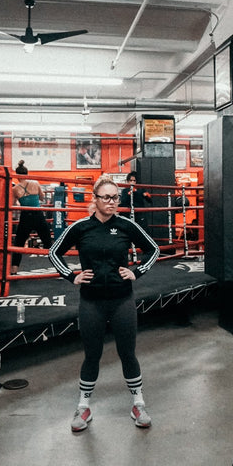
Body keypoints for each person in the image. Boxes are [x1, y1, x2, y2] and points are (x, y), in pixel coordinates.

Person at [49, 175, 160, 432]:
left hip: (122, 299)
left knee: (127, 353)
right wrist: (71, 276)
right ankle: (83, 407)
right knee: (92, 355)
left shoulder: (126, 226)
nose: (112, 202)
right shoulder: (80, 228)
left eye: (115, 197)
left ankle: (139, 403)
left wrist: (137, 271)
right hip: (91, 301)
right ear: (95, 199)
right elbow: (54, 251)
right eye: (106, 197)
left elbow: (153, 249)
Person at [9, 164, 52, 275]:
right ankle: (59, 268)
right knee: (48, 242)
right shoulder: (35, 183)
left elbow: (12, 204)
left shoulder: (15, 189)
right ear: (27, 173)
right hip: (38, 215)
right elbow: (42, 197)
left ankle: (14, 270)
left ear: (17, 175)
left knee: (19, 243)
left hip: (25, 216)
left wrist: (22, 199)